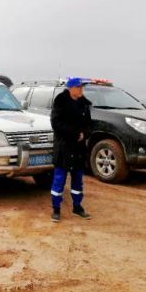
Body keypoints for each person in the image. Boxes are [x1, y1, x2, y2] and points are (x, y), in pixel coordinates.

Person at [50, 77, 92, 222]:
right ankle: (56, 209)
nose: (81, 90)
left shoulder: (84, 104)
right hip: (64, 148)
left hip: (79, 149)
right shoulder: (60, 102)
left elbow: (89, 124)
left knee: (78, 180)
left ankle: (77, 206)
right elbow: (56, 123)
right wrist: (74, 133)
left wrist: (84, 134)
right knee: (59, 180)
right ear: (71, 88)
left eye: (82, 87)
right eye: (79, 87)